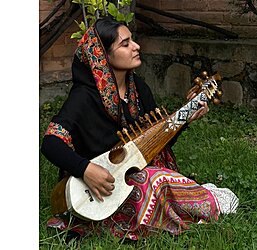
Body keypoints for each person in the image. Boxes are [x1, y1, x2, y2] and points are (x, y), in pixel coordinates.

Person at [41, 15, 238, 241]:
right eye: (125, 44)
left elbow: (157, 143)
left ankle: (170, 206)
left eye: (132, 40)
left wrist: (186, 121)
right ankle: (202, 201)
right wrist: (86, 170)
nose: (136, 47)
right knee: (154, 182)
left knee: (152, 180)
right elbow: (50, 143)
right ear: (103, 57)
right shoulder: (84, 97)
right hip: (97, 188)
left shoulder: (139, 89)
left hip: (134, 174)